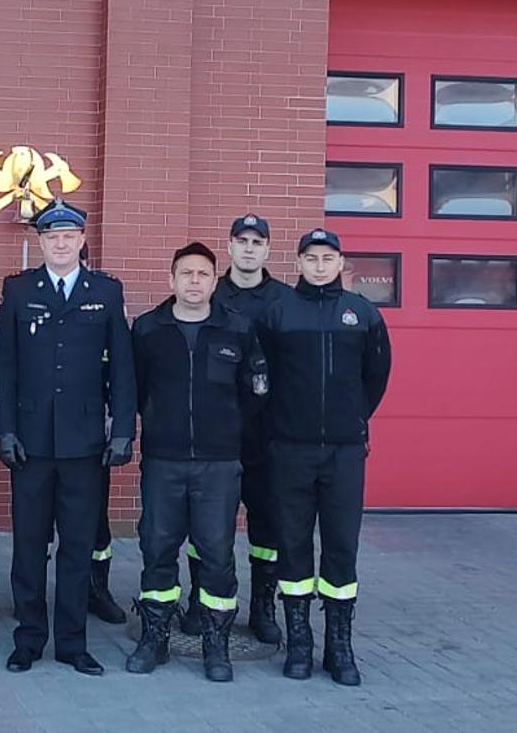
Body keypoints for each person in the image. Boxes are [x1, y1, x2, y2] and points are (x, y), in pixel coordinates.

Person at [0, 198, 136, 677]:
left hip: (85, 445)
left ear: (81, 241)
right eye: (51, 236)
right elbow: (6, 367)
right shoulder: (18, 291)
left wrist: (123, 429)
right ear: (41, 242)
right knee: (29, 546)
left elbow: (122, 366)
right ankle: (29, 639)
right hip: (30, 443)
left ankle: (73, 644)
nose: (60, 243)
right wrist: (5, 430)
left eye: (68, 236)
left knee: (77, 547)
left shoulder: (106, 291)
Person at [126, 242, 268, 682]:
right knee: (157, 550)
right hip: (163, 461)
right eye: (185, 273)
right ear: (171, 280)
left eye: (203, 274)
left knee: (217, 556)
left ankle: (216, 645)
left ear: (214, 282)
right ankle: (155, 638)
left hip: (219, 465)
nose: (193, 281)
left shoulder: (238, 330)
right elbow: (136, 389)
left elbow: (255, 397)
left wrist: (227, 435)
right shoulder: (148, 330)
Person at [258, 227, 391, 686]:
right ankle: (299, 644)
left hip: (343, 451)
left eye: (327, 258)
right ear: (298, 263)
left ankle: (339, 646)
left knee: (340, 546)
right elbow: (263, 381)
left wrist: (349, 418)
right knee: (293, 544)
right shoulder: (277, 313)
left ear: (340, 263)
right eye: (310, 258)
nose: (319, 265)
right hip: (289, 449)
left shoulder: (363, 313)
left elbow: (375, 378)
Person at [179, 213, 288, 644]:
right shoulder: (210, 291)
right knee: (205, 527)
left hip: (266, 436)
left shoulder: (284, 300)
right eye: (241, 240)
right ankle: (201, 599)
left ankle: (263, 605)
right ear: (229, 246)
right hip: (214, 435)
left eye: (256, 241)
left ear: (267, 249)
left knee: (267, 526)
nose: (248, 248)